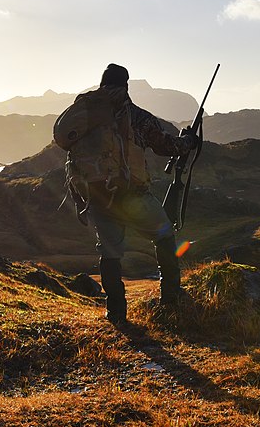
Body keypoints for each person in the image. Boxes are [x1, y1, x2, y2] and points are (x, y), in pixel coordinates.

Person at [64, 63, 197, 325]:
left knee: (110, 254)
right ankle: (170, 298)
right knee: (165, 236)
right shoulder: (136, 116)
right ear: (125, 85)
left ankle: (116, 313)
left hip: (99, 197)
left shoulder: (85, 115)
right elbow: (166, 145)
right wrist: (188, 143)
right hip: (132, 195)